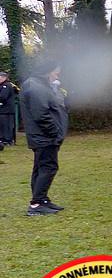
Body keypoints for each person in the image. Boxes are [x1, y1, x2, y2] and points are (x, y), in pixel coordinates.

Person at [21, 59, 69, 216]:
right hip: (45, 136)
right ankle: (36, 204)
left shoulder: (38, 85)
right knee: (48, 167)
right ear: (48, 71)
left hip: (43, 136)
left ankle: (42, 200)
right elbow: (41, 114)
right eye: (56, 72)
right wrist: (55, 132)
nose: (57, 75)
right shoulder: (36, 87)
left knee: (41, 167)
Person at [0, 70, 16, 148]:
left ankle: (7, 140)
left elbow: (3, 97)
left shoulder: (6, 85)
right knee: (3, 125)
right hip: (3, 109)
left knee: (6, 125)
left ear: (4, 78)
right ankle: (3, 139)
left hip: (6, 109)